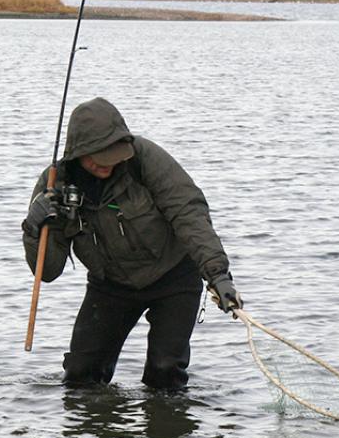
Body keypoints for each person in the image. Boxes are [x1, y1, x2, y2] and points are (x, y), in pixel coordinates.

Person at [23, 97, 241, 390]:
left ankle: (167, 428)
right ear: (80, 154)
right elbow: (48, 271)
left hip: (174, 277)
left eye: (116, 154)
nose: (109, 164)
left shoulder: (145, 159)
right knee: (79, 376)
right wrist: (33, 227)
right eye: (102, 157)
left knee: (165, 374)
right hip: (111, 285)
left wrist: (218, 275)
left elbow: (189, 214)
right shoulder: (55, 187)